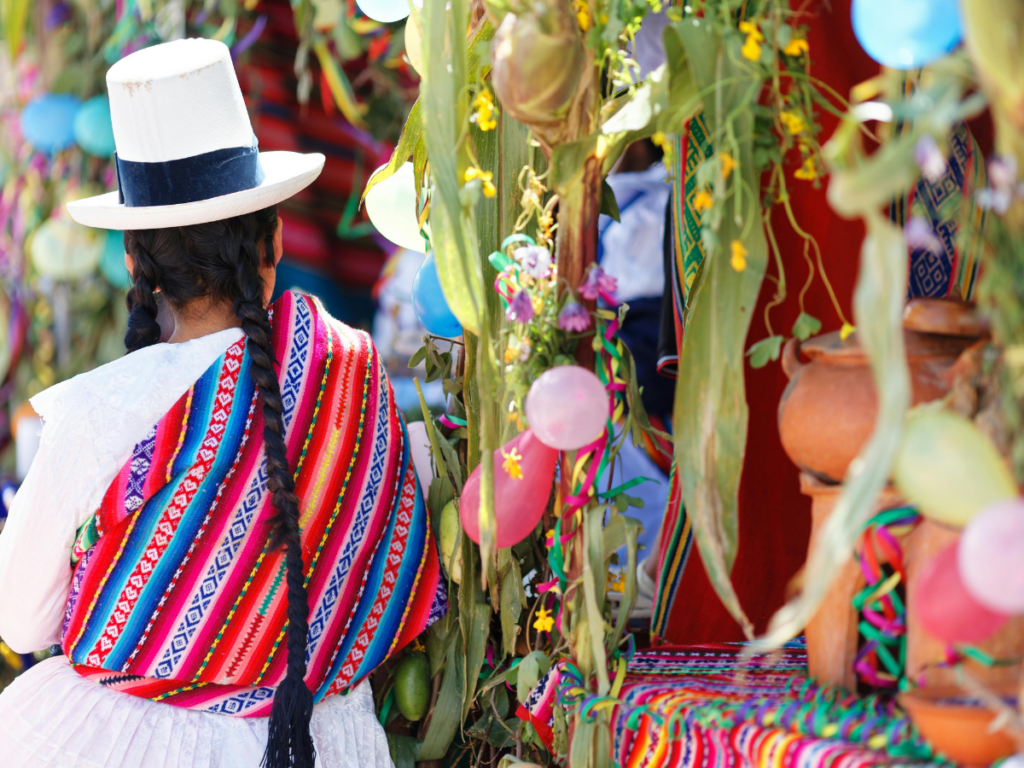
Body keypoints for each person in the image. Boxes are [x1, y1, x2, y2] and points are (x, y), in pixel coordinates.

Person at [0, 38, 444, 768]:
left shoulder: (99, 415)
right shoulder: (353, 381)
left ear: (138, 263)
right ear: (270, 242)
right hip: (323, 742)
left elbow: (21, 622)